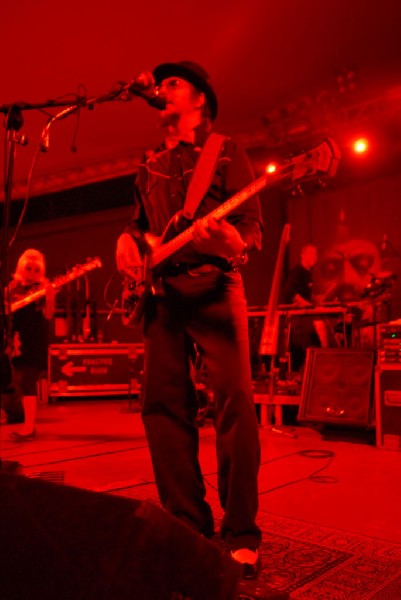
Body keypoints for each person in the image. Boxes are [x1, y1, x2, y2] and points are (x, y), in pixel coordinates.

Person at [116, 61, 263, 578]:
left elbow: (249, 229)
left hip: (216, 285)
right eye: (159, 84)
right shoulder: (148, 164)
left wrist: (231, 242)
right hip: (162, 293)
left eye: (173, 82)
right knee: (161, 407)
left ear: (200, 98)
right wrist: (126, 242)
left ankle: (241, 532)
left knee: (235, 404)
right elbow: (139, 227)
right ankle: (185, 520)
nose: (161, 89)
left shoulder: (227, 151)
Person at [5, 249, 55, 441]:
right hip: (16, 343)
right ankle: (26, 423)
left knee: (27, 382)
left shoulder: (42, 290)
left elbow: (49, 315)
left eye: (36, 269)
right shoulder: (14, 289)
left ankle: (29, 427)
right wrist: (10, 288)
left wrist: (50, 296)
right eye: (28, 268)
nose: (32, 272)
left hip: (33, 343)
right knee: (18, 382)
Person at [283, 244, 326, 372]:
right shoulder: (297, 272)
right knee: (307, 349)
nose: (315, 257)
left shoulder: (308, 274)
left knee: (313, 348)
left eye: (316, 254)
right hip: (299, 322)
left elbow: (305, 293)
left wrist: (317, 299)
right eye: (312, 254)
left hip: (306, 320)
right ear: (303, 255)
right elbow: (290, 292)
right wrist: (306, 305)